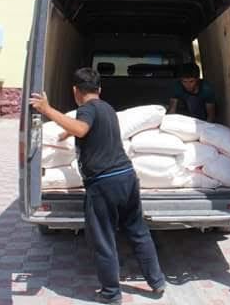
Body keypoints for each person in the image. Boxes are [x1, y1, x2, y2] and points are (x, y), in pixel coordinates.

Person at [29, 68, 165, 304]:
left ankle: (111, 293)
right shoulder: (107, 108)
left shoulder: (87, 109)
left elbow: (82, 128)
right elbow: (89, 130)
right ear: (99, 89)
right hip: (127, 177)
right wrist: (67, 133)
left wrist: (47, 109)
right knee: (138, 231)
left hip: (104, 183)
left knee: (103, 239)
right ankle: (157, 281)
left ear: (75, 91)